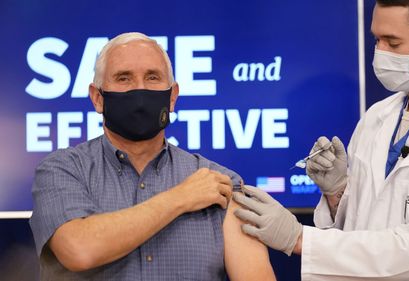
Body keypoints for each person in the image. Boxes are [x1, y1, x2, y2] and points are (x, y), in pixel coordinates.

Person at [233, 0, 409, 280]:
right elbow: (365, 229)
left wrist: (299, 238)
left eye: (393, 43)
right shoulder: (378, 116)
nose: (380, 53)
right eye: (377, 39)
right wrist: (338, 193)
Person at [29, 32, 276, 281]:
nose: (139, 89)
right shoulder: (62, 170)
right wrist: (181, 197)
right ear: (97, 98)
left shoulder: (220, 183)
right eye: (123, 78)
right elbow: (78, 249)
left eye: (152, 77)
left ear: (172, 96)